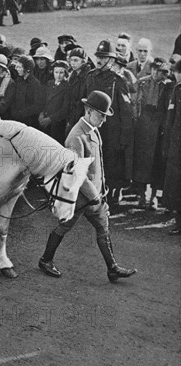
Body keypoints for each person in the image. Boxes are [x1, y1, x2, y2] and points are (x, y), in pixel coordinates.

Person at [38, 90, 137, 283]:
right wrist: (94, 194)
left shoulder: (92, 130)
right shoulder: (76, 136)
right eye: (101, 115)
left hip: (95, 194)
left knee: (103, 227)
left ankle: (112, 268)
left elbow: (97, 165)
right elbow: (77, 172)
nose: (104, 120)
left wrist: (102, 189)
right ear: (89, 110)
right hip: (82, 196)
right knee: (64, 226)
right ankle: (45, 260)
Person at [86, 40, 134, 208]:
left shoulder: (117, 81)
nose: (99, 59)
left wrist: (124, 137)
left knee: (111, 166)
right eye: (98, 56)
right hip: (93, 130)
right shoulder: (90, 76)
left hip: (112, 132)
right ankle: (95, 197)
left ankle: (110, 198)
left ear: (112, 60)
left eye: (104, 57)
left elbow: (126, 112)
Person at [132, 58, 173, 209]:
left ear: (164, 73)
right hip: (143, 127)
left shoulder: (168, 86)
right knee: (142, 163)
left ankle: (154, 196)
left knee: (156, 163)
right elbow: (134, 103)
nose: (156, 73)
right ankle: (142, 195)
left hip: (159, 128)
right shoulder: (142, 82)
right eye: (154, 69)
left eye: (160, 70)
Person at [162, 59, 181, 234]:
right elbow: (170, 117)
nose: (177, 75)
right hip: (176, 144)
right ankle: (178, 221)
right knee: (175, 183)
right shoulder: (177, 89)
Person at [38, 60, 70, 144]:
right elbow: (44, 101)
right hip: (45, 120)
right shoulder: (50, 84)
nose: (58, 75)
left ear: (65, 73)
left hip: (57, 124)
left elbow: (65, 110)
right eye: (56, 72)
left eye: (61, 72)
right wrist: (41, 113)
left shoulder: (67, 87)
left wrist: (49, 119)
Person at [10, 55, 43, 127]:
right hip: (15, 119)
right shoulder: (18, 81)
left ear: (28, 69)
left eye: (19, 67)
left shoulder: (36, 84)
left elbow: (38, 105)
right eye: (16, 67)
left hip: (29, 122)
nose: (16, 69)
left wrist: (22, 113)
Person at [66, 47, 92, 134]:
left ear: (83, 61)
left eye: (76, 60)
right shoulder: (73, 74)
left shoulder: (88, 76)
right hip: (71, 114)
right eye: (71, 60)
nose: (72, 63)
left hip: (81, 116)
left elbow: (84, 101)